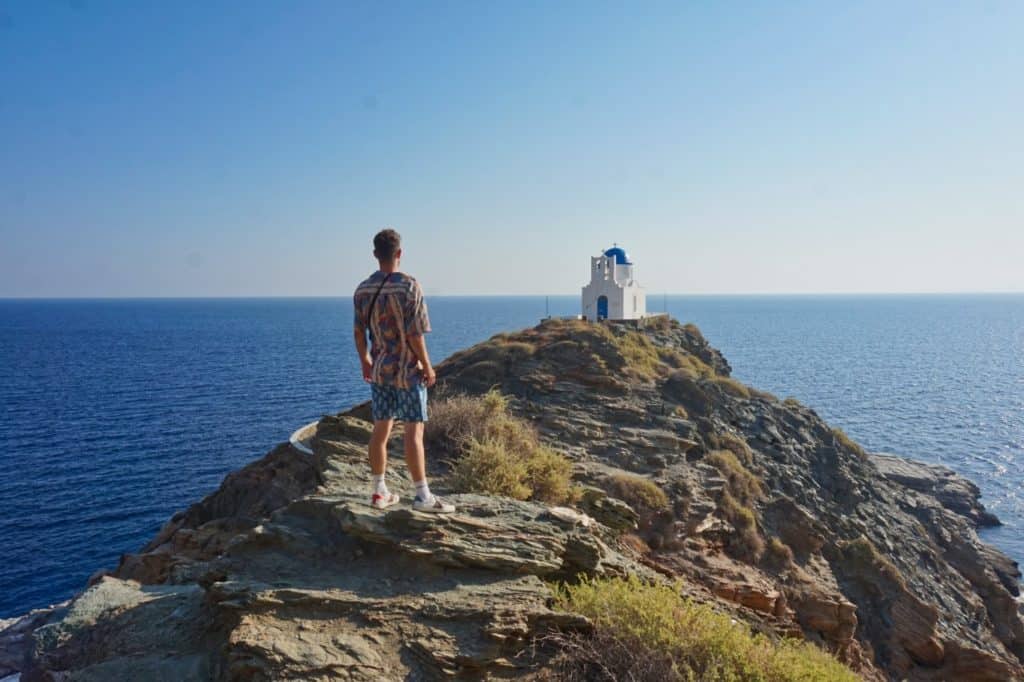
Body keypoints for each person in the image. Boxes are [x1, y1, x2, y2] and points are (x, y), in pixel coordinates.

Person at [352, 229, 455, 513]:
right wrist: (428, 365)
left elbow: (359, 332)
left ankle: (378, 491)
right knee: (414, 431)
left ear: (375, 254)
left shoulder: (362, 290)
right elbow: (415, 334)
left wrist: (364, 360)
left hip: (380, 369)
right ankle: (422, 496)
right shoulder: (409, 286)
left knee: (381, 427)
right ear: (399, 253)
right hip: (408, 370)